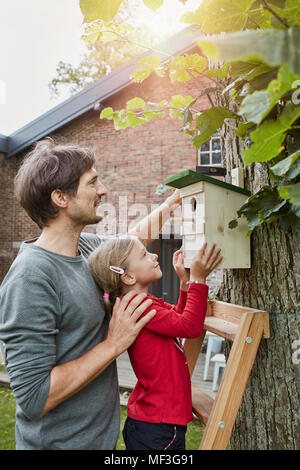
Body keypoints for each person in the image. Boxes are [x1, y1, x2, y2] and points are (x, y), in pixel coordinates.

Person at [0, 138, 181, 450]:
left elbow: (132, 241)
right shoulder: (31, 276)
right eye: (93, 182)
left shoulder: (88, 251)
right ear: (60, 197)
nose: (103, 190)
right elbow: (33, 398)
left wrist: (172, 205)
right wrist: (113, 344)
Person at [87, 235, 222, 450]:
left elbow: (178, 319)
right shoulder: (140, 307)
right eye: (144, 254)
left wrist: (186, 283)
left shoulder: (141, 304)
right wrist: (198, 279)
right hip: (159, 427)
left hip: (152, 423)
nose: (155, 255)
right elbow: (190, 327)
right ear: (129, 277)